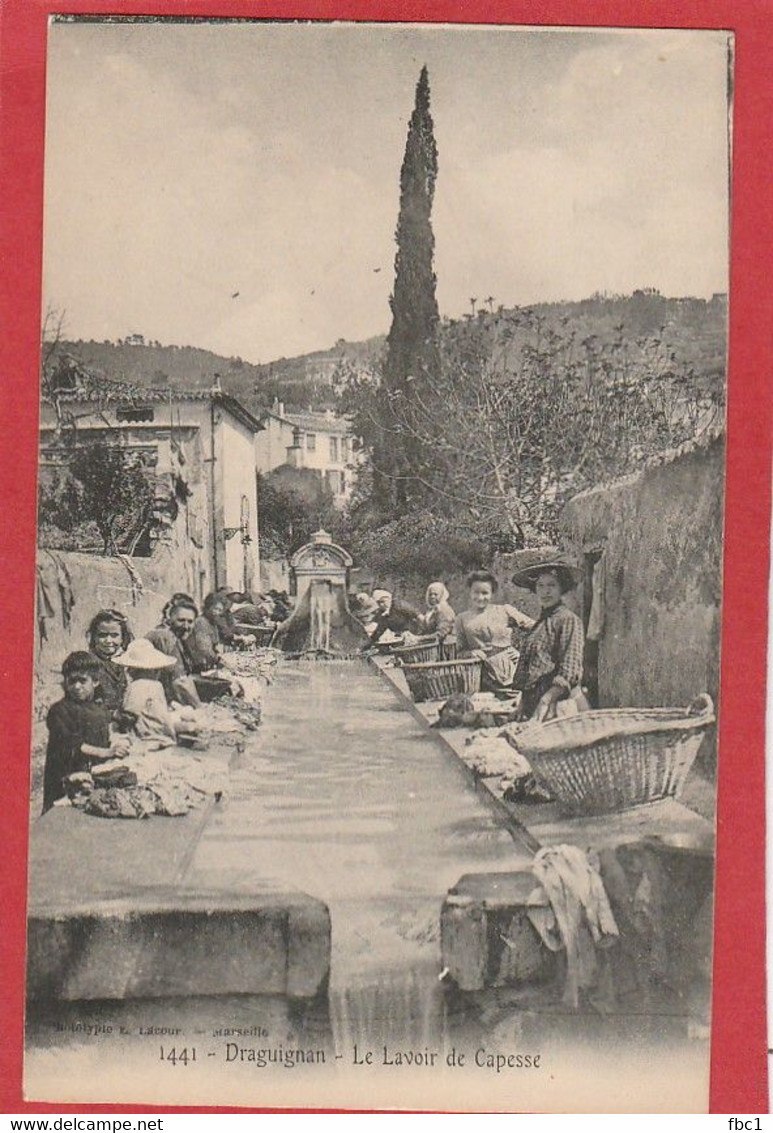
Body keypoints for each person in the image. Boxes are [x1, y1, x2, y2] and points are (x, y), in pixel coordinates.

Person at [43, 651, 130, 812]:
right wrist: (107, 753)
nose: (76, 686)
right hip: (65, 779)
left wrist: (118, 743)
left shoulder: (99, 709)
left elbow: (106, 735)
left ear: (95, 681)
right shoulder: (60, 710)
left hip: (91, 778)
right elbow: (73, 744)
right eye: (72, 681)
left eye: (82, 681)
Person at [511, 559, 585, 721]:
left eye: (551, 585)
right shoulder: (539, 624)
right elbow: (530, 671)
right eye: (541, 586)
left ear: (562, 589)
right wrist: (522, 704)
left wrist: (546, 700)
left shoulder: (568, 620)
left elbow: (570, 670)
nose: (546, 592)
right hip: (536, 703)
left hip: (558, 704)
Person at [454, 570, 535, 693]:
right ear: (470, 592)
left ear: (492, 593)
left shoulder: (504, 611)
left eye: (485, 593)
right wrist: (471, 653)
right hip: (480, 675)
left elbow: (536, 627)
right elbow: (459, 652)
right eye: (476, 592)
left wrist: (524, 654)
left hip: (510, 669)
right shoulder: (461, 619)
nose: (480, 597)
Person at [115, 638, 198, 746]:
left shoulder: (137, 686)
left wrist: (115, 717)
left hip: (146, 739)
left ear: (132, 670)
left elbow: (130, 715)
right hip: (163, 736)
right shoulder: (157, 685)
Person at [145, 596, 201, 706]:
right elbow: (180, 682)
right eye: (181, 620)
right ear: (170, 619)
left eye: (190, 622)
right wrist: (200, 707)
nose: (186, 626)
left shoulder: (175, 637)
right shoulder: (165, 636)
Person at [86, 609, 133, 711]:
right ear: (94, 637)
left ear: (123, 637)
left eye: (114, 635)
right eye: (102, 635)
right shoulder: (89, 664)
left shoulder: (129, 663)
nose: (108, 641)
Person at [187, 592, 227, 673]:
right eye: (215, 608)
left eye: (220, 610)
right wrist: (219, 660)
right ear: (208, 607)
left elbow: (216, 644)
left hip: (205, 663)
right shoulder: (201, 622)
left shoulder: (212, 623)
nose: (217, 612)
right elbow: (204, 649)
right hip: (195, 665)